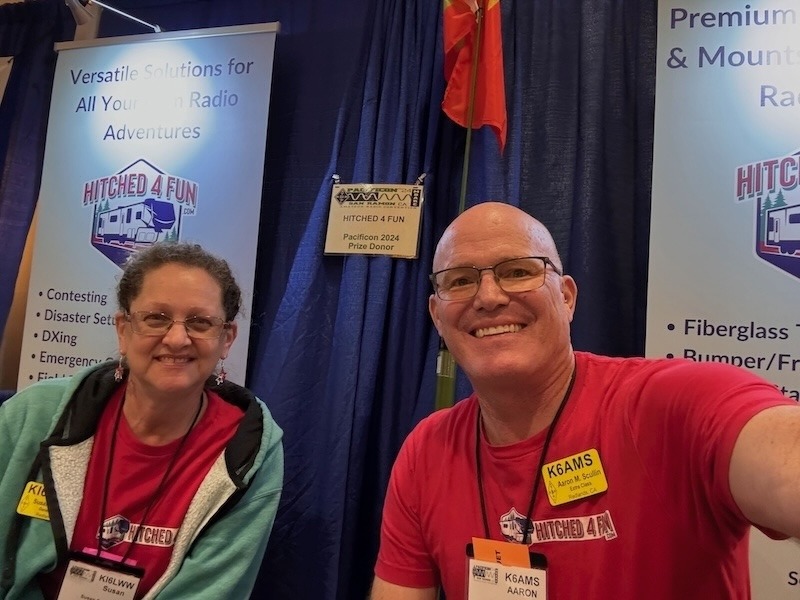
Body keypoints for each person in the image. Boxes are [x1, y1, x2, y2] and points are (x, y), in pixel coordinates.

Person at [371, 202, 800, 599]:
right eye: (460, 281)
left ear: (567, 297)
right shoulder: (426, 453)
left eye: (518, 271)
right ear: (437, 317)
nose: (488, 297)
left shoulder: (671, 405)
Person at [0, 242, 284, 599]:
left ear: (226, 339)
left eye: (199, 322)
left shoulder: (250, 451)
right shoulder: (33, 414)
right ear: (123, 330)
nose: (178, 338)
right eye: (156, 318)